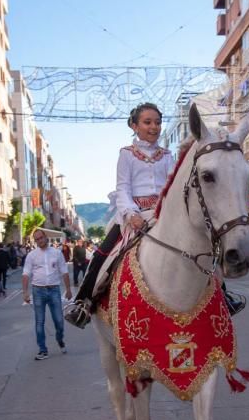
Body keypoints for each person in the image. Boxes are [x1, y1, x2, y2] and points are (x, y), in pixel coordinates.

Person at [75, 102, 174, 326]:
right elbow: (123, 188)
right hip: (133, 216)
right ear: (134, 125)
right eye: (147, 122)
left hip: (162, 214)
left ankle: (223, 296)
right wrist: (131, 214)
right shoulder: (126, 154)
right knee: (102, 254)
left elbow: (172, 186)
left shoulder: (167, 155)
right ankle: (83, 302)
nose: (154, 127)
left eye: (157, 122)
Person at [22, 229, 72, 360]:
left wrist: (68, 289)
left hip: (54, 290)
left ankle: (59, 339)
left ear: (46, 237)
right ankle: (42, 350)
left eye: (41, 238)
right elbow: (26, 273)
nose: (40, 241)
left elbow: (64, 271)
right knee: (39, 321)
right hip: (38, 291)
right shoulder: (31, 255)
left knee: (59, 321)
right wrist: (25, 292)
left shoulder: (57, 253)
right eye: (37, 239)